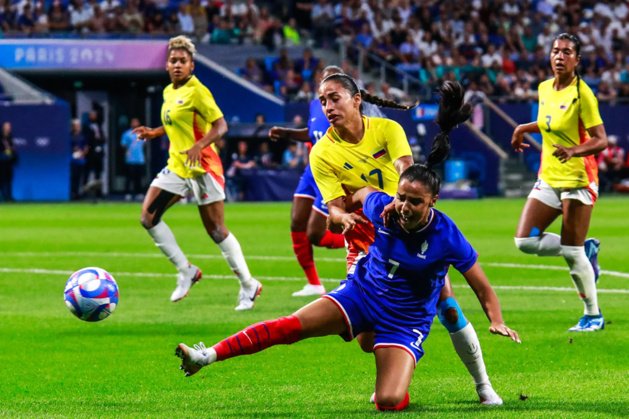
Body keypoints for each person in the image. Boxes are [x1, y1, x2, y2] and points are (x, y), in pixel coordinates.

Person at [175, 163, 520, 412]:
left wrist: (496, 318)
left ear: (433, 202)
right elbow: (359, 192)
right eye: (401, 197)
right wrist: (339, 214)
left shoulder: (447, 235)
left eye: (415, 201)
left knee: (388, 401)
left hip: (405, 320)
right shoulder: (383, 208)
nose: (405, 206)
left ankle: (399, 376)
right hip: (362, 294)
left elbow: (482, 286)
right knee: (292, 326)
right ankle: (206, 356)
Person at [306, 76, 504, 404]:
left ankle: (483, 386)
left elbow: (405, 168)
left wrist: (399, 206)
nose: (328, 106)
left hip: (406, 228)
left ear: (356, 100)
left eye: (334, 98)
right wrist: (343, 219)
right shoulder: (322, 151)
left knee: (449, 308)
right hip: (364, 241)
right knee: (367, 340)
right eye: (323, 100)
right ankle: (397, 372)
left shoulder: (386, 130)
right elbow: (334, 210)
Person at [132, 36, 261, 310]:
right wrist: (154, 132)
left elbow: (221, 126)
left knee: (216, 230)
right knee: (148, 217)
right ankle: (186, 270)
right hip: (178, 166)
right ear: (166, 65)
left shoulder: (198, 91)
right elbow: (175, 124)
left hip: (203, 166)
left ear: (191, 65)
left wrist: (199, 145)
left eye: (182, 61)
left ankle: (249, 285)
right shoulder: (169, 92)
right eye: (173, 61)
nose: (177, 65)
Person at [511, 34, 608, 332]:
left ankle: (593, 315)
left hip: (579, 179)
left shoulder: (584, 95)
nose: (559, 56)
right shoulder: (544, 88)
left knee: (571, 251)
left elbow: (600, 139)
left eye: (567, 52)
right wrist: (523, 128)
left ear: (577, 60)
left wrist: (574, 151)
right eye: (555, 51)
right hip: (550, 176)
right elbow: (549, 122)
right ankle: (585, 251)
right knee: (525, 241)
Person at [268, 66, 385, 297]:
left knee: (315, 234)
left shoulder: (353, 108)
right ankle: (313, 283)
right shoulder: (315, 105)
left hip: (333, 171)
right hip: (312, 170)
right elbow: (313, 133)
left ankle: (369, 242)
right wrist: (286, 133)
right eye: (323, 82)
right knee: (296, 222)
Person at [120, 117, 146, 201]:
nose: (135, 124)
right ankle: (127, 193)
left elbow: (144, 144)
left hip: (140, 159)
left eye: (136, 122)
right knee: (129, 178)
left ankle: (138, 193)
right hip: (130, 159)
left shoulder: (141, 133)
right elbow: (123, 144)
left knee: (138, 178)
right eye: (133, 122)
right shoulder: (127, 134)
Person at [83, 110, 106, 197]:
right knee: (87, 172)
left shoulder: (98, 126)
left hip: (98, 153)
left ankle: (98, 192)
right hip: (90, 152)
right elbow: (87, 138)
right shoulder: (86, 126)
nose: (93, 117)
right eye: (92, 115)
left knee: (98, 173)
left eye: (94, 115)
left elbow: (102, 138)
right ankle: (85, 191)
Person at [70, 119, 89, 201]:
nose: (77, 127)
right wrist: (73, 149)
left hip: (81, 160)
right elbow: (68, 147)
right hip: (72, 160)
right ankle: (73, 193)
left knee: (80, 177)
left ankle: (80, 193)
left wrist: (83, 154)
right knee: (73, 177)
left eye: (78, 126)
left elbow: (86, 147)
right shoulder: (70, 136)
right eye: (75, 126)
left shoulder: (83, 136)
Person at [0, 121, 17, 202]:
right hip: (1, 160)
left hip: (9, 161)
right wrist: (3, 151)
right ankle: (4, 196)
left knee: (9, 179)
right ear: (3, 127)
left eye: (9, 127)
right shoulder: (1, 137)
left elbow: (12, 148)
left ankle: (9, 196)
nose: (8, 128)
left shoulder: (10, 137)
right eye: (7, 126)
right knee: (2, 180)